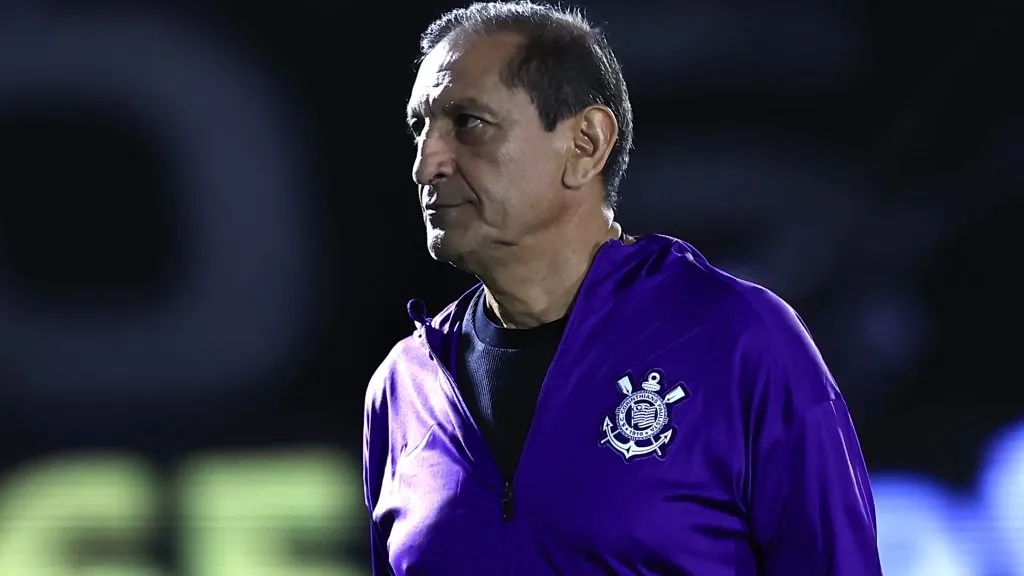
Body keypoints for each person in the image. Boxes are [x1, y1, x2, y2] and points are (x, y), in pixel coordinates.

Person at [363, 2, 883, 575]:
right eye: (421, 127)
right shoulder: (402, 387)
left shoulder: (739, 340)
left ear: (586, 143)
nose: (425, 163)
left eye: (468, 123)